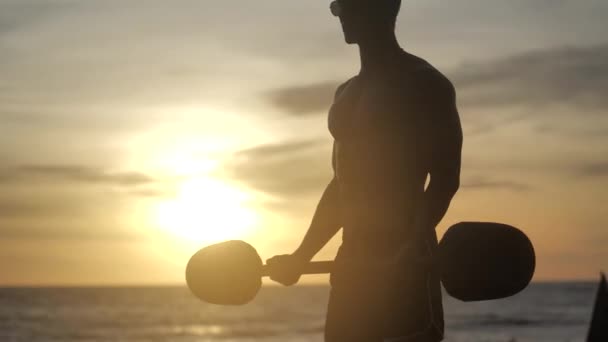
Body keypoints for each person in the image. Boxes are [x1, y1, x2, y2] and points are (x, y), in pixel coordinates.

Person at [266, 0, 462, 340]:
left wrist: (409, 251)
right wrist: (301, 256)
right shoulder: (346, 93)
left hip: (407, 266)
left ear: (384, 8)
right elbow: (342, 186)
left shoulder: (425, 83)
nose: (341, 14)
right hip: (351, 263)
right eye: (337, 6)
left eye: (349, 5)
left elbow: (445, 181)